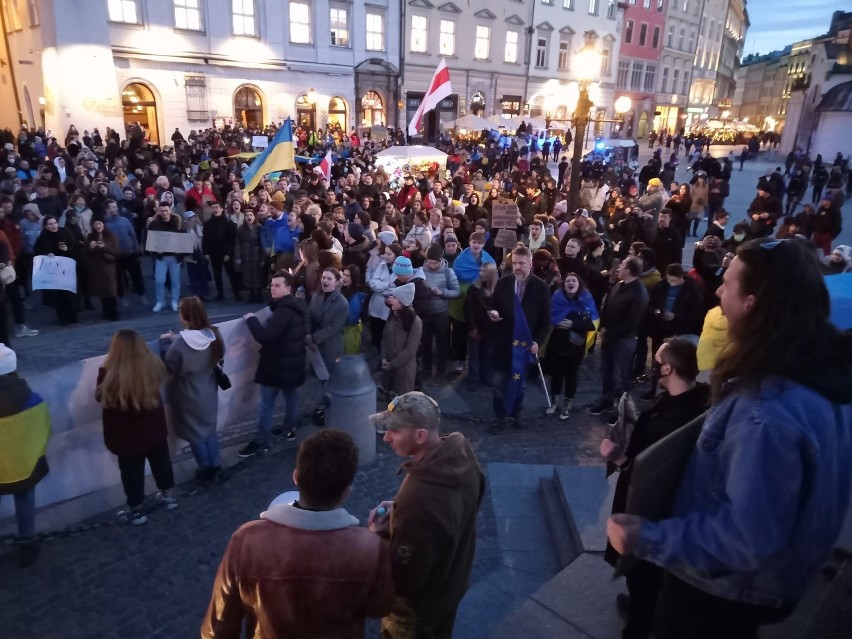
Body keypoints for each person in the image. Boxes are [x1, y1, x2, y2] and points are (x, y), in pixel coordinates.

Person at [607, 238, 852, 639]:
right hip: (758, 582)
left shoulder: (766, 413)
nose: (718, 289)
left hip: (719, 589)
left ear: (752, 303)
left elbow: (746, 536)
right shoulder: (815, 372)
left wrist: (646, 537)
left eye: (729, 282)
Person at [202, 429, 395, 638]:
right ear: (346, 491)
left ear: (296, 476)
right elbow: (380, 607)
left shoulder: (247, 540)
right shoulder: (369, 549)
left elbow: (219, 625)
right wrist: (381, 539)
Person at [600, 338, 711, 639]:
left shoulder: (674, 420)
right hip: (660, 510)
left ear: (667, 368)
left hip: (650, 512)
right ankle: (640, 604)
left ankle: (639, 624)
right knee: (643, 579)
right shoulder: (694, 401)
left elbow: (652, 473)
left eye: (657, 360)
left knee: (643, 574)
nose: (651, 367)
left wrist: (617, 456)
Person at [368, 391, 485, 639]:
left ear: (420, 435)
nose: (386, 438)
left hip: (416, 615)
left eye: (394, 431)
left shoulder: (420, 498)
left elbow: (402, 580)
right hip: (450, 587)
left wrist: (380, 535)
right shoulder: (461, 454)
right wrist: (401, 511)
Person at [96, 329, 177, 526]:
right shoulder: (152, 365)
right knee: (162, 463)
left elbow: (100, 398)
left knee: (131, 473)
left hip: (127, 435)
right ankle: (168, 497)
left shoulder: (108, 373)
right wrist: (166, 343)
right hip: (154, 428)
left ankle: (137, 510)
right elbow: (168, 369)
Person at [240, 270, 306, 456]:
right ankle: (289, 430)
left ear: (288, 288)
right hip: (290, 365)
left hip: (277, 366)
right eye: (272, 285)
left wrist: (251, 320)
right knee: (291, 397)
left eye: (278, 286)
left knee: (266, 404)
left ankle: (260, 441)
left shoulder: (283, 312)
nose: (273, 289)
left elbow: (265, 337)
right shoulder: (294, 307)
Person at [160, 297, 225, 483]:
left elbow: (169, 368)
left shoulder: (179, 345)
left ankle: (205, 468)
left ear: (184, 316)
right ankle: (215, 463)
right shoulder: (214, 335)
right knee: (209, 430)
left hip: (187, 393)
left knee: (195, 433)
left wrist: (166, 343)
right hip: (208, 389)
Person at [487, 244, 552, 432]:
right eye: (514, 263)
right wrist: (493, 313)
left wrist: (538, 342)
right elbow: (493, 305)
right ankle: (499, 417)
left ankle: (516, 414)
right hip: (502, 344)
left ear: (530, 263)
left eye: (522, 263)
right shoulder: (504, 283)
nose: (517, 267)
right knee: (498, 384)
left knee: (519, 384)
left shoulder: (541, 288)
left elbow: (545, 321)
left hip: (523, 346)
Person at [0, 343, 50, 567]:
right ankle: (27, 545)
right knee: (25, 499)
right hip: (24, 465)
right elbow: (43, 428)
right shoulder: (31, 398)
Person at [589, 257, 649, 416]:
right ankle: (606, 401)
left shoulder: (639, 293)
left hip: (623, 340)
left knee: (621, 376)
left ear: (628, 270)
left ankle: (619, 410)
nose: (618, 268)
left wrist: (609, 332)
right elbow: (608, 305)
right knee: (607, 371)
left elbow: (631, 322)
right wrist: (602, 326)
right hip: (609, 336)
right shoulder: (618, 285)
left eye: (622, 265)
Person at [544, 273, 599, 420]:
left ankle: (567, 406)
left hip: (575, 346)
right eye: (568, 280)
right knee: (556, 375)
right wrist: (556, 323)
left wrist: (572, 324)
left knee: (571, 376)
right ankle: (554, 402)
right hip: (557, 343)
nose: (571, 282)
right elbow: (549, 315)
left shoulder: (586, 298)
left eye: (574, 280)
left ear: (579, 284)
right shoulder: (557, 297)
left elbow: (591, 324)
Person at [33, 216, 79, 325]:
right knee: (58, 295)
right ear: (45, 226)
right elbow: (37, 252)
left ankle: (72, 316)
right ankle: (62, 318)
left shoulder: (65, 232)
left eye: (55, 223)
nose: (54, 226)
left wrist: (67, 249)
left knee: (69, 292)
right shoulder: (43, 237)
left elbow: (75, 248)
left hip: (66, 267)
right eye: (50, 224)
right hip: (52, 270)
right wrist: (46, 254)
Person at [380, 283, 422, 397]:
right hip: (389, 370)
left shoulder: (416, 322)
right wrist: (383, 358)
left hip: (403, 372)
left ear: (403, 302)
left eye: (394, 298)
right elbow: (384, 338)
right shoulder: (392, 315)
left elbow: (411, 350)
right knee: (390, 405)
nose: (391, 300)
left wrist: (392, 364)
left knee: (401, 407)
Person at [307, 267, 348, 375]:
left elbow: (334, 327)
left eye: (329, 279)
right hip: (314, 344)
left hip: (331, 346)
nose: (325, 281)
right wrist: (307, 333)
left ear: (336, 282)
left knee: (330, 377)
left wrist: (314, 338)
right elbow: (308, 316)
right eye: (323, 277)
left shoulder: (342, 303)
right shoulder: (316, 297)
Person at [148, 200, 185, 312]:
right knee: (159, 280)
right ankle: (161, 301)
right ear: (159, 211)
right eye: (162, 211)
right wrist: (155, 251)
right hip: (161, 257)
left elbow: (183, 238)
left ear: (170, 210)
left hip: (175, 256)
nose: (164, 213)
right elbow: (149, 240)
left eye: (166, 211)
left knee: (175, 280)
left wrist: (181, 252)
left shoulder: (177, 222)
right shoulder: (154, 224)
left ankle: (174, 300)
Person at [84, 215, 121, 321]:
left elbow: (116, 252)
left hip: (108, 266)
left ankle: (113, 313)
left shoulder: (110, 235)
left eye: (100, 223)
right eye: (95, 224)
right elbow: (85, 252)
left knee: (110, 290)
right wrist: (91, 248)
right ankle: (105, 312)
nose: (98, 226)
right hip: (96, 267)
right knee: (101, 291)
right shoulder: (90, 236)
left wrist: (104, 247)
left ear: (103, 224)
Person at [203, 201, 240, 302]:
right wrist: (206, 253)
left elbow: (232, 240)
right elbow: (205, 239)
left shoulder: (229, 223)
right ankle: (220, 294)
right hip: (214, 253)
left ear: (222, 209)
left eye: (217, 207)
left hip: (226, 253)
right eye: (213, 208)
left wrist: (228, 253)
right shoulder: (207, 224)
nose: (215, 210)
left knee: (231, 275)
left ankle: (236, 293)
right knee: (217, 275)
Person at [233, 209, 265, 303]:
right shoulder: (241, 229)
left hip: (257, 254)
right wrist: (238, 256)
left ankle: (259, 295)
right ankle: (251, 295)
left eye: (251, 215)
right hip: (246, 254)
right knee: (247, 275)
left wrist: (263, 258)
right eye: (247, 215)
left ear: (254, 216)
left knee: (258, 275)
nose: (249, 217)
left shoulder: (259, 227)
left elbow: (262, 243)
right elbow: (237, 243)